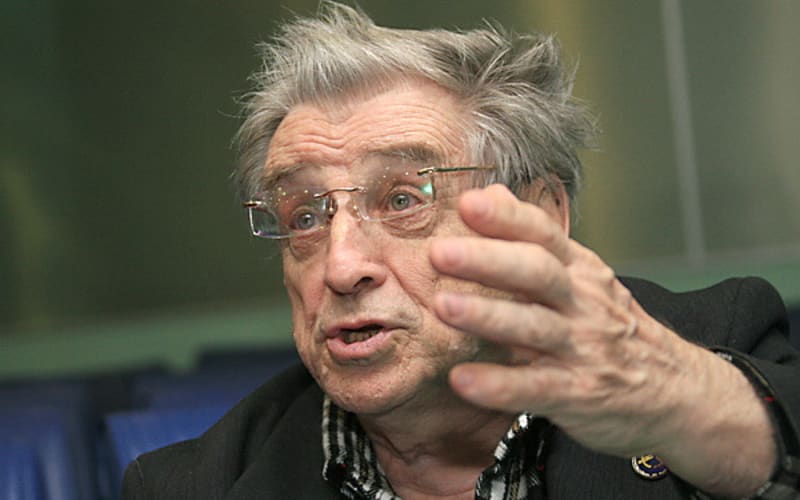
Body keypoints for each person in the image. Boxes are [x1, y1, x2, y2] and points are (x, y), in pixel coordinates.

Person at [121, 3, 800, 499]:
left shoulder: (715, 344)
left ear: (538, 215)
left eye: (402, 200)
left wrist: (687, 406)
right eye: (304, 215)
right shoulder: (193, 486)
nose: (341, 266)